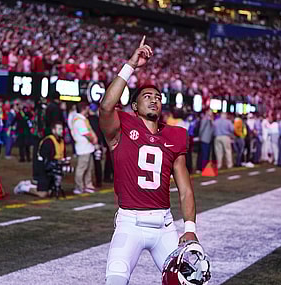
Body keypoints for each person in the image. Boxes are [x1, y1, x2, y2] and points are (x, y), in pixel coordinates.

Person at [99, 36, 198, 285]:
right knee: (115, 281)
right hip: (129, 223)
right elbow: (106, 106)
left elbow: (185, 189)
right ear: (134, 105)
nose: (154, 99)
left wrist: (190, 228)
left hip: (164, 225)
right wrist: (130, 65)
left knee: (187, 283)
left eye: (158, 96)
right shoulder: (121, 128)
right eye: (147, 96)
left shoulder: (175, 135)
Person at [14, 121, 66, 198]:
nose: (61, 131)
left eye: (62, 129)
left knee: (51, 191)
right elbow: (44, 160)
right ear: (53, 130)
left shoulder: (61, 141)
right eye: (59, 129)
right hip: (45, 170)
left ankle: (32, 184)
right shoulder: (48, 141)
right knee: (43, 194)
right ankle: (24, 187)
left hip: (54, 168)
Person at [71, 102, 98, 194]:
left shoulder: (82, 119)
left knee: (89, 168)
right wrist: (93, 140)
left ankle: (88, 185)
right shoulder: (79, 121)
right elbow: (85, 133)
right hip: (83, 149)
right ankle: (79, 186)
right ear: (84, 109)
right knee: (81, 168)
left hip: (88, 148)